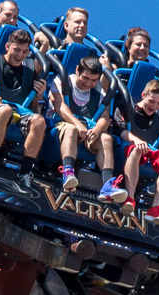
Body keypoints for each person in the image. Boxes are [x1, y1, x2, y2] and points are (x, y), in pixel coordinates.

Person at [0, 28, 48, 190]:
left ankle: (25, 173)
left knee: (39, 121)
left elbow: (33, 108)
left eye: (25, 52)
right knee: (4, 110)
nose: (20, 55)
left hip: (20, 113)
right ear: (7, 47)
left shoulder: (29, 69)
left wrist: (38, 95)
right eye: (16, 50)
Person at [46, 55, 119, 198]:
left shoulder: (99, 92)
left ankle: (108, 185)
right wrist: (77, 124)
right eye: (86, 78)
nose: (89, 83)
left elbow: (105, 117)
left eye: (93, 80)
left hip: (87, 130)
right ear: (77, 70)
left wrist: (97, 129)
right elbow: (59, 106)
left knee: (106, 138)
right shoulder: (63, 81)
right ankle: (68, 172)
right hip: (61, 126)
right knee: (71, 129)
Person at [114, 79, 159, 224]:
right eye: (152, 101)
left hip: (147, 151)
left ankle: (156, 207)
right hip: (125, 147)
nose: (154, 106)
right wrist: (135, 140)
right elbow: (119, 129)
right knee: (137, 149)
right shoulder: (127, 107)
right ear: (143, 95)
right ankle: (130, 199)